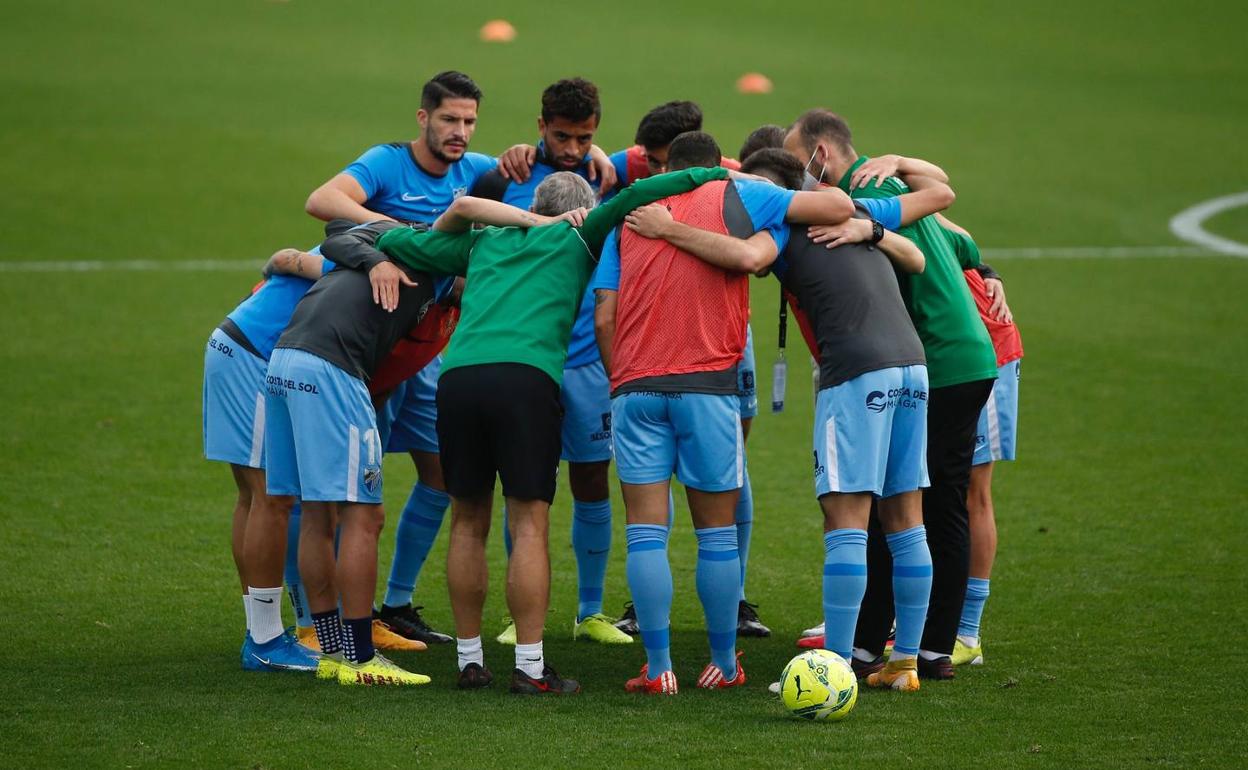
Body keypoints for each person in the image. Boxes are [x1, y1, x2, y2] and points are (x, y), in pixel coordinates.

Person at [337, 166, 733, 694]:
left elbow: (393, 239)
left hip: (459, 381)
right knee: (528, 523)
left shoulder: (485, 239)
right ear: (579, 208)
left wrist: (381, 247)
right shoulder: (580, 234)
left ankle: (469, 661)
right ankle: (528, 666)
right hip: (526, 381)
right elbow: (638, 193)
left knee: (467, 521)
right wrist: (712, 172)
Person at [592, 132, 855, 694]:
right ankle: (722, 663)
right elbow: (837, 206)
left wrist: (623, 380)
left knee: (645, 535)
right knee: (715, 536)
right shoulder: (739, 196)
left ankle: (659, 667)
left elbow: (604, 319)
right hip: (708, 389)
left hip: (635, 390)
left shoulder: (631, 215)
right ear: (715, 170)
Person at [785, 110, 998, 680]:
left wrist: (870, 224)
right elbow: (946, 204)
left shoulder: (866, 189)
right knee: (917, 504)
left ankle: (920, 647)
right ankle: (906, 648)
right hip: (953, 354)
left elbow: (917, 215)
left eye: (800, 162)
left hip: (939, 356)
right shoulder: (887, 179)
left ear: (821, 155)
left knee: (925, 504)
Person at [303, 71, 497, 646]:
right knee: (344, 491)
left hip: (430, 351)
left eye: (468, 122)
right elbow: (323, 201)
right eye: (449, 121)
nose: (460, 133)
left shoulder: (476, 170)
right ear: (423, 119)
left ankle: (397, 603)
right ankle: (321, 620)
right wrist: (401, 234)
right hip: (372, 351)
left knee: (443, 473)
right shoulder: (388, 163)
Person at [734, 149, 932, 691]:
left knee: (846, 520)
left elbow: (746, 258)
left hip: (856, 372)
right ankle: (905, 662)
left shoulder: (780, 222)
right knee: (905, 517)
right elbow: (925, 226)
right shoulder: (850, 215)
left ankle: (835, 667)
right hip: (912, 368)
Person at [203, 222, 429, 672]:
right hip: (259, 353)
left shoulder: (369, 246)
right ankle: (265, 639)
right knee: (270, 497)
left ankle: (275, 631)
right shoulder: (377, 263)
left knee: (259, 497)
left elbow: (298, 251)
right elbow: (305, 249)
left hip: (244, 346)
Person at [470, 78, 631, 646]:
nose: (571, 149)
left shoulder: (612, 174)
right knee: (522, 488)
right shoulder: (504, 175)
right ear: (540, 127)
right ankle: (523, 615)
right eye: (561, 136)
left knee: (591, 479)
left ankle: (590, 612)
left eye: (584, 138)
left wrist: (612, 157)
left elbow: (681, 153)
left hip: (586, 360)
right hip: (525, 359)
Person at [947, 223, 1022, 667]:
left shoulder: (879, 206)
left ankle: (968, 632)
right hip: (939, 356)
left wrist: (987, 271)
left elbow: (959, 239)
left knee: (972, 492)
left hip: (983, 353)